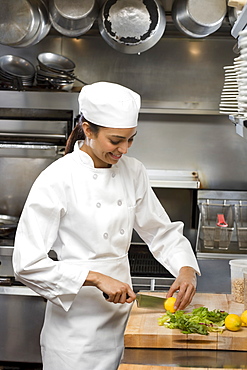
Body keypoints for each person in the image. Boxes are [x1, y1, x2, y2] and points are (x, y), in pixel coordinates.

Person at [13, 81, 200, 370]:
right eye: (115, 141)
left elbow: (160, 231)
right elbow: (27, 264)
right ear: (88, 130)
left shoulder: (133, 171)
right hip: (74, 335)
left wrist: (186, 269)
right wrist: (96, 278)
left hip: (124, 321)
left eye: (131, 139)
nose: (124, 149)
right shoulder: (57, 178)